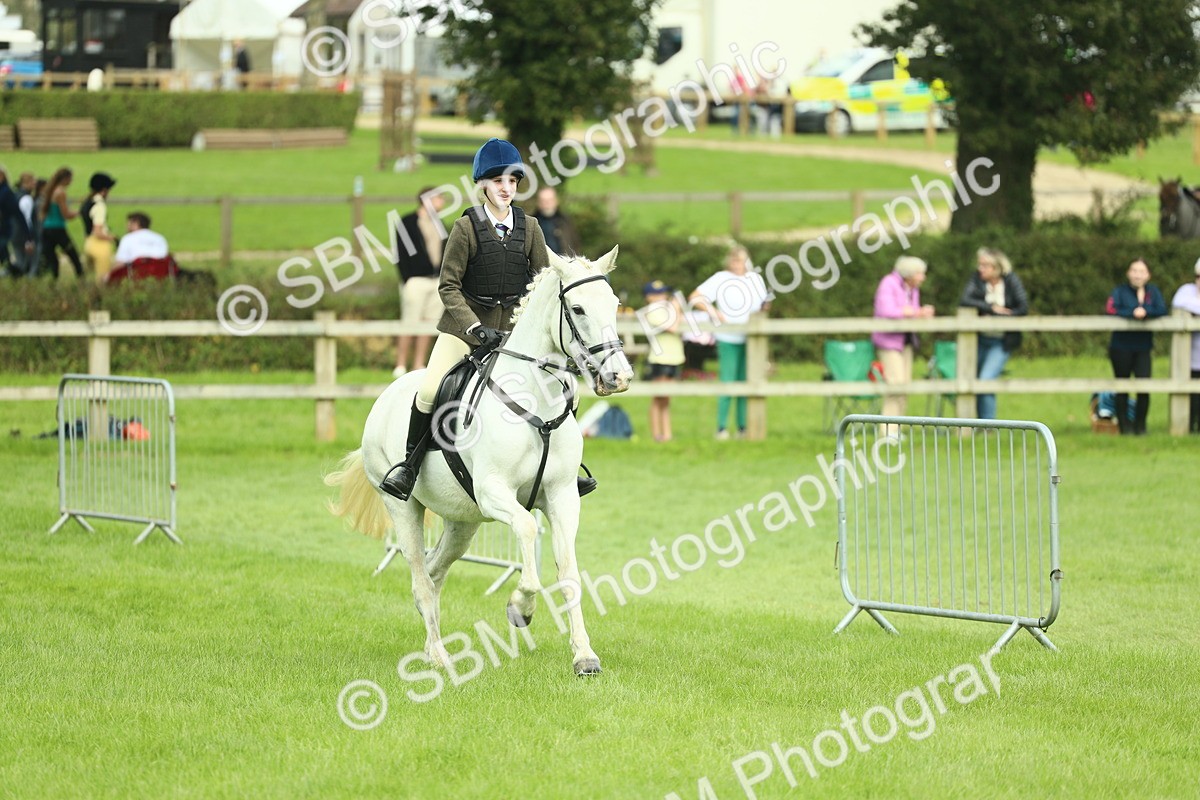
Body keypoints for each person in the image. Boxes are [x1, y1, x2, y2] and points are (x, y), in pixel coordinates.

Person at [379, 138, 596, 501]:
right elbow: (448, 286)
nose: (506, 189)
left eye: (512, 182)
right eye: (498, 182)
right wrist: (474, 326)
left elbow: (544, 281)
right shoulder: (465, 229)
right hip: (465, 330)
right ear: (482, 184)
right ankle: (409, 467)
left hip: (514, 333)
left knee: (566, 389)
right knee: (432, 389)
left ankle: (566, 470)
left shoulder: (530, 227)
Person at [689, 243, 773, 439]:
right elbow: (696, 297)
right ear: (729, 261)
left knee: (748, 382)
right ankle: (722, 427)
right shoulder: (721, 278)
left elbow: (764, 303)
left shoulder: (755, 278)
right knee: (728, 382)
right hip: (728, 337)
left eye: (741, 260)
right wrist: (714, 312)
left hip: (752, 338)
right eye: (734, 260)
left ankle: (744, 428)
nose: (738, 264)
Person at [958, 247, 1029, 419]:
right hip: (979, 339)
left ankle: (988, 426)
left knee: (986, 380)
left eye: (985, 265)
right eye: (979, 265)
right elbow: (965, 300)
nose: (980, 268)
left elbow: (1023, 307)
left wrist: (1007, 315)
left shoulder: (1011, 280)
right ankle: (978, 424)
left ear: (996, 267)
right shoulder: (977, 279)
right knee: (973, 381)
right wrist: (991, 308)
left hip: (1001, 341)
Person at [872, 256, 934, 432]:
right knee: (895, 384)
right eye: (920, 274)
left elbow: (912, 311)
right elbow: (886, 310)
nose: (923, 278)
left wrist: (920, 313)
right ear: (910, 274)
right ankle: (887, 431)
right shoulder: (888, 283)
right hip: (888, 341)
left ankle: (896, 428)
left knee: (905, 385)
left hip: (906, 341)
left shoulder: (912, 289)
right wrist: (910, 312)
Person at [1107, 258, 1167, 435]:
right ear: (1128, 273)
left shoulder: (1153, 292)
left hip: (1143, 348)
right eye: (1134, 270)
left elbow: (1162, 309)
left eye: (1141, 271)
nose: (1137, 275)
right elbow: (1111, 310)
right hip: (1121, 347)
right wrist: (1132, 313)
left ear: (1148, 275)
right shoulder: (1119, 291)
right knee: (1122, 386)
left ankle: (1141, 427)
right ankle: (1124, 428)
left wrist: (1146, 311)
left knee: (1143, 386)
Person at [393, 187, 447, 379]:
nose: (443, 202)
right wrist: (407, 278)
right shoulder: (408, 222)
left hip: (435, 280)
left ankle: (418, 363)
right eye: (439, 198)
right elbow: (399, 253)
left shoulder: (440, 224)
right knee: (409, 322)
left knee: (428, 323)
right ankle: (400, 364)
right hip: (416, 280)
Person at [640, 280, 685, 442]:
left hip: (674, 357)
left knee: (666, 399)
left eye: (663, 293)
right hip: (660, 358)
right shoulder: (652, 311)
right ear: (649, 297)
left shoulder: (668, 310)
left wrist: (676, 310)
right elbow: (672, 327)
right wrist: (677, 308)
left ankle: (667, 434)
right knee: (658, 398)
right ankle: (657, 434)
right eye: (657, 294)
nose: (662, 297)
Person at [1171, 257, 1200, 433]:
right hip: (1192, 359)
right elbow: (1179, 303)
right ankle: (1188, 430)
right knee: (1192, 399)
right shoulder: (1186, 291)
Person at [39, 167, 84, 280]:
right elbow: (66, 215)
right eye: (70, 178)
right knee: (74, 256)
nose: (71, 181)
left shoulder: (50, 190)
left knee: (52, 260)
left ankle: (52, 284)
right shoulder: (61, 192)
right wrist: (79, 212)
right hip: (58, 229)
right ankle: (82, 280)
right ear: (65, 179)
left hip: (46, 229)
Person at [81, 172, 117, 284]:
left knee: (89, 280)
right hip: (100, 246)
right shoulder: (99, 205)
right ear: (104, 190)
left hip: (88, 243)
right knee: (103, 281)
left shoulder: (87, 202)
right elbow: (98, 232)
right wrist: (113, 238)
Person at [0, 167, 33, 277]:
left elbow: (19, 215)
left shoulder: (6, 193)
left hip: (4, 230)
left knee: (6, 257)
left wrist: (28, 236)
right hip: (6, 230)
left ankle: (15, 274)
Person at [532, 185, 583, 256]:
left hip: (565, 264)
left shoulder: (566, 221)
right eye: (543, 201)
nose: (547, 204)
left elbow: (575, 244)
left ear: (556, 201)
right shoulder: (531, 224)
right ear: (538, 203)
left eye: (550, 200)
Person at [11, 173, 39, 277]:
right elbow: (27, 219)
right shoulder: (26, 198)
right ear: (25, 183)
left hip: (14, 232)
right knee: (27, 263)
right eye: (32, 182)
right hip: (23, 235)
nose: (34, 185)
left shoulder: (16, 195)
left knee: (20, 261)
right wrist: (29, 239)